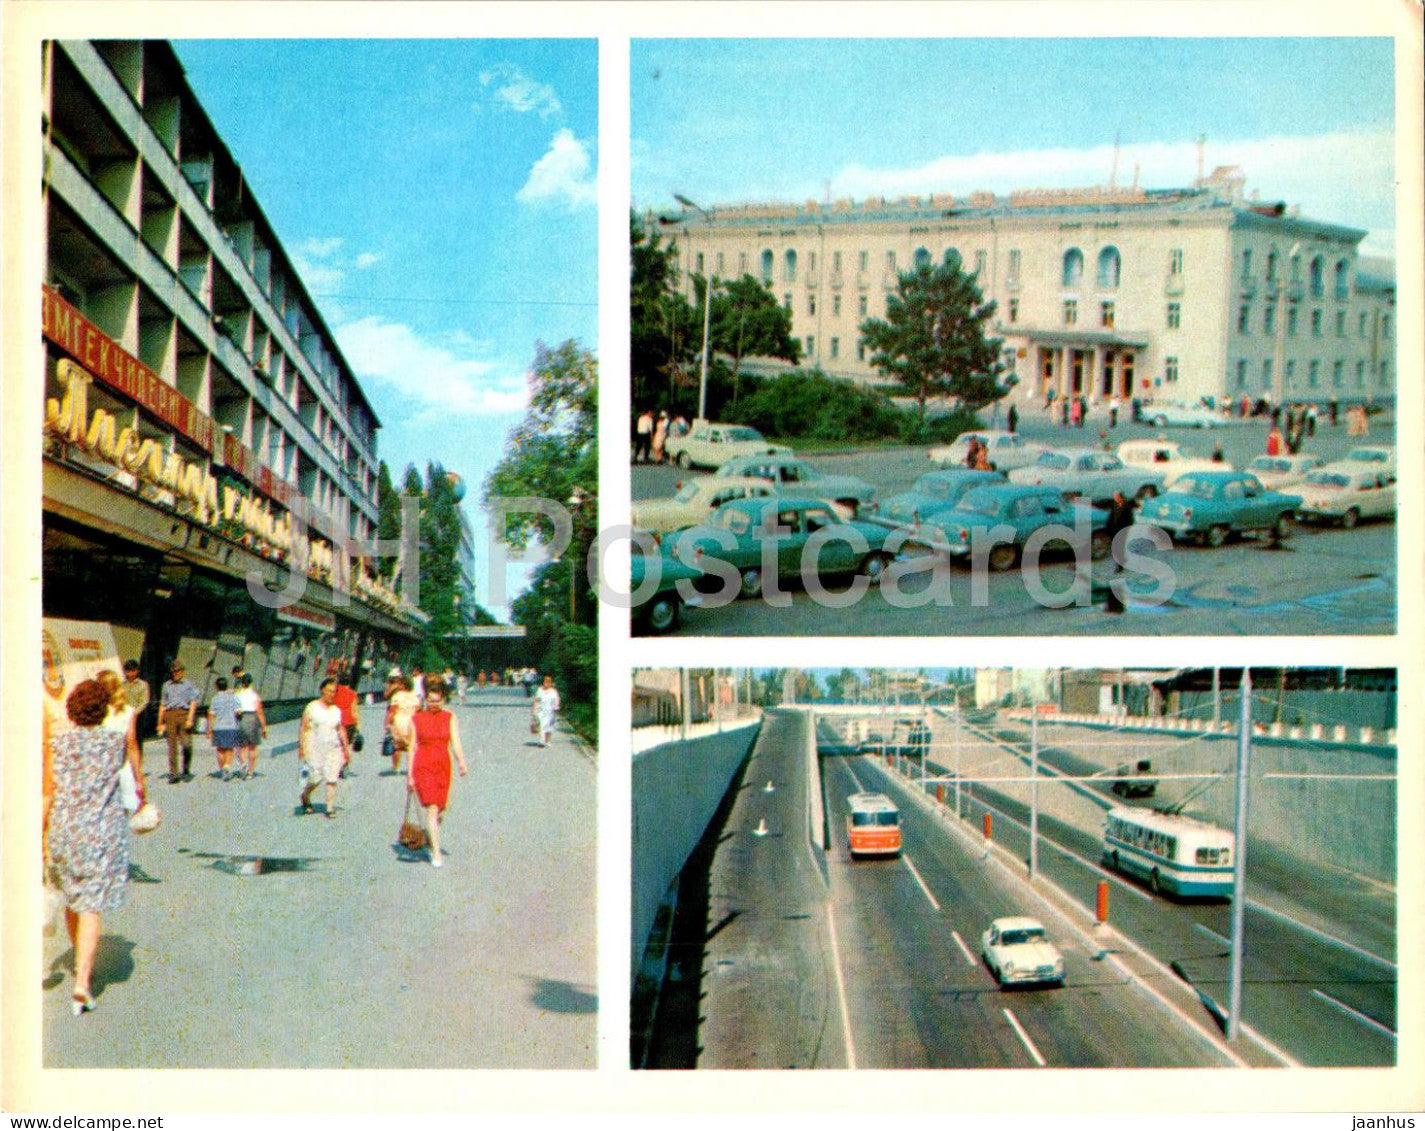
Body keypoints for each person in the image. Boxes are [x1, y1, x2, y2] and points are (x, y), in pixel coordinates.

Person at [45, 680, 130, 1016]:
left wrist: (40, 830)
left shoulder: (59, 743)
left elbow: (50, 789)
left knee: (71, 899)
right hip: (99, 833)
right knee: (91, 906)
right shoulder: (115, 742)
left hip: (64, 831)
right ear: (104, 709)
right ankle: (82, 982)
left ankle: (81, 961)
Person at [407, 675, 469, 868]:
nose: (434, 704)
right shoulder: (416, 718)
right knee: (432, 808)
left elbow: (455, 742)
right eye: (431, 701)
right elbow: (412, 747)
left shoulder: (450, 717)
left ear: (443, 699)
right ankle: (436, 853)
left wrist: (461, 762)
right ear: (425, 698)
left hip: (443, 765)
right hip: (423, 765)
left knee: (440, 808)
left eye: (438, 701)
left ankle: (430, 835)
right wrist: (410, 775)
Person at [299, 678, 350, 819]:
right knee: (315, 778)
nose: (331, 694)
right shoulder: (312, 707)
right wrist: (302, 747)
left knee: (332, 778)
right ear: (322, 690)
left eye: (334, 692)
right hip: (315, 748)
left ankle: (329, 807)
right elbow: (304, 728)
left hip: (333, 748)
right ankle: (305, 795)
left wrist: (346, 749)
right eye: (329, 690)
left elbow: (341, 729)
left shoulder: (336, 710)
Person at [96, 670, 144, 806]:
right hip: (122, 770)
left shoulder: (96, 712)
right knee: (124, 814)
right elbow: (131, 745)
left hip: (100, 772)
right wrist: (139, 779)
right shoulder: (128, 712)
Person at [157, 660, 200, 783]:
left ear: (183, 671)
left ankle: (186, 768)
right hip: (170, 715)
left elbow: (193, 702)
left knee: (186, 743)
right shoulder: (166, 685)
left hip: (184, 714)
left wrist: (190, 718)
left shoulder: (189, 685)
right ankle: (174, 773)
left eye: (178, 671)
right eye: (174, 671)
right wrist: (160, 722)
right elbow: (163, 704)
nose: (176, 673)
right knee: (171, 745)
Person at [1102, 490, 1136, 615]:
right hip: (1113, 531)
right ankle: (1120, 562)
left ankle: (1119, 565)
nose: (1115, 498)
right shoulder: (1114, 506)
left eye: (1116, 496)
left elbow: (1130, 520)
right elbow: (1110, 518)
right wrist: (1107, 528)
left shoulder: (1126, 507)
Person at [207, 677, 242, 781]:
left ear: (216, 686)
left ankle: (223, 770)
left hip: (218, 727)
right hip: (231, 726)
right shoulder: (234, 697)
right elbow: (239, 712)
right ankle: (227, 766)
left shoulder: (214, 699)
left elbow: (211, 715)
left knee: (220, 749)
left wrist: (209, 729)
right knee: (230, 749)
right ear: (227, 686)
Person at [384, 674, 420, 774]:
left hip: (399, 721)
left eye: (399, 684)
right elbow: (418, 710)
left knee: (397, 746)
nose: (398, 686)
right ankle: (411, 767)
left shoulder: (397, 696)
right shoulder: (414, 696)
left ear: (403, 685)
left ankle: (396, 767)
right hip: (412, 723)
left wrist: (387, 724)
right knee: (412, 746)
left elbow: (392, 711)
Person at [234, 674, 267, 779]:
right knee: (253, 747)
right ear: (251, 683)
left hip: (241, 719)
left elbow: (235, 710)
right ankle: (251, 772)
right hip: (252, 719)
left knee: (241, 747)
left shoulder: (237, 694)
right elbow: (260, 711)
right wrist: (264, 727)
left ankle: (243, 765)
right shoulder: (254, 695)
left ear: (242, 683)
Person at [332, 679, 360, 778]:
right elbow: (354, 711)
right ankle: (345, 766)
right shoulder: (352, 694)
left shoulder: (334, 693)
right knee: (347, 746)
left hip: (335, 721)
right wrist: (358, 726)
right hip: (349, 722)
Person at [121, 660, 150, 735]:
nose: (131, 674)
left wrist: (134, 713)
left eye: (133, 671)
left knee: (137, 737)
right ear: (125, 672)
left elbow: (144, 702)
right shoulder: (122, 685)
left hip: (138, 716)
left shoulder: (143, 684)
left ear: (137, 671)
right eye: (128, 671)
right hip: (124, 716)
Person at [533, 675, 561, 747]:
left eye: (548, 682)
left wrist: (556, 707)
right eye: (545, 682)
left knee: (549, 726)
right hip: (541, 710)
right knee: (543, 725)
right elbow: (537, 700)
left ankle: (548, 740)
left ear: (551, 683)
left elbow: (557, 700)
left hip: (551, 711)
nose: (547, 684)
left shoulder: (553, 691)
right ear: (543, 682)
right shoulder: (540, 690)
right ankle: (542, 741)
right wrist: (534, 709)